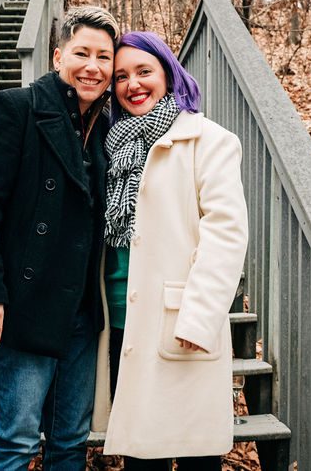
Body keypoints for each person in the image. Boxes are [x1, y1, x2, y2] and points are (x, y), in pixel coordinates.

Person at [0, 6, 119, 470]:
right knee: (18, 442)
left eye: (103, 57)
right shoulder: (16, 109)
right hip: (21, 308)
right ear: (57, 56)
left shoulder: (105, 130)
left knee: (69, 441)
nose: (93, 66)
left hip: (81, 314)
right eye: (82, 53)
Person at [91, 31, 249, 470]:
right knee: (142, 458)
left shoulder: (209, 141)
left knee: (197, 457)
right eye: (120, 76)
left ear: (169, 73)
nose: (132, 84)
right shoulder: (109, 144)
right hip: (122, 323)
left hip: (181, 323)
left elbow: (226, 235)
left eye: (144, 71)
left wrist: (198, 318)